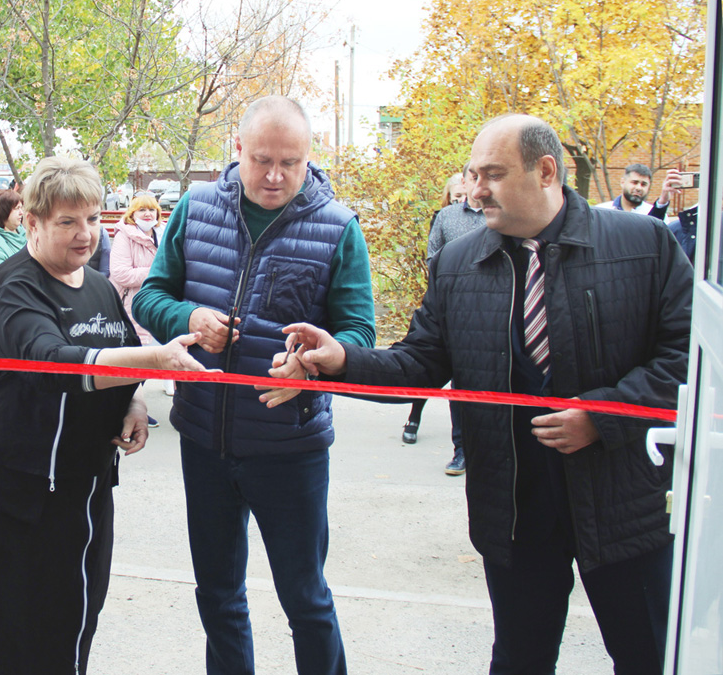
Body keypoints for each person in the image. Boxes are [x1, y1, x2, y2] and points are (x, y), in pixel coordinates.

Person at [288, 114, 693, 675]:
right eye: (474, 175)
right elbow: (420, 363)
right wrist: (342, 361)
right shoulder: (458, 263)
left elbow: (686, 359)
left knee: (646, 654)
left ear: (545, 170)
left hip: (623, 504)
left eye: (493, 175)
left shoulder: (642, 245)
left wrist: (602, 418)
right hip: (515, 509)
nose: (476, 191)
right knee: (520, 660)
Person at [0, 156, 208, 675]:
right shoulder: (13, 290)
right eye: (67, 222)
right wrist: (157, 360)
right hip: (9, 496)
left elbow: (116, 361)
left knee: (68, 627)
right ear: (32, 222)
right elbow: (54, 364)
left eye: (93, 219)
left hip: (83, 493)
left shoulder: (97, 287)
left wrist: (134, 399)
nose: (85, 235)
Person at [133, 95, 376, 675]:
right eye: (262, 159)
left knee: (306, 599)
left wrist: (313, 368)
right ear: (237, 148)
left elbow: (360, 335)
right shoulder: (194, 209)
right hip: (204, 437)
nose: (274, 175)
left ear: (309, 157)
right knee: (218, 595)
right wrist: (188, 319)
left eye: (290, 162)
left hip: (290, 447)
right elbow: (150, 295)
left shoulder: (338, 227)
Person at [406, 163, 485, 479]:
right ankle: (459, 449)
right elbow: (433, 258)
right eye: (472, 177)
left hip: (491, 309)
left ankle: (478, 450)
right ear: (464, 181)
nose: (477, 184)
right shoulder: (446, 218)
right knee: (453, 379)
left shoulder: (498, 218)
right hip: (453, 311)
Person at [402, 169, 470, 447]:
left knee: (463, 379)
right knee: (429, 363)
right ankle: (414, 417)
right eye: (457, 195)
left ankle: (461, 446)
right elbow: (434, 258)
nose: (462, 198)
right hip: (445, 304)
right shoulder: (445, 218)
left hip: (479, 308)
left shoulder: (493, 221)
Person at [110, 194, 171, 419]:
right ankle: (129, 409)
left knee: (154, 355)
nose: (147, 214)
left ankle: (133, 407)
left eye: (151, 210)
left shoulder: (164, 233)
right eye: (141, 210)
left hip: (159, 302)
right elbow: (120, 273)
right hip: (132, 303)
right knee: (136, 358)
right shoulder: (125, 236)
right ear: (132, 214)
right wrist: (157, 272)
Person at [595, 162, 681, 219]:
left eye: (644, 184)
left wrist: (663, 200)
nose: (639, 188)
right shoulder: (601, 211)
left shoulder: (653, 214)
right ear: (622, 182)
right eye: (634, 182)